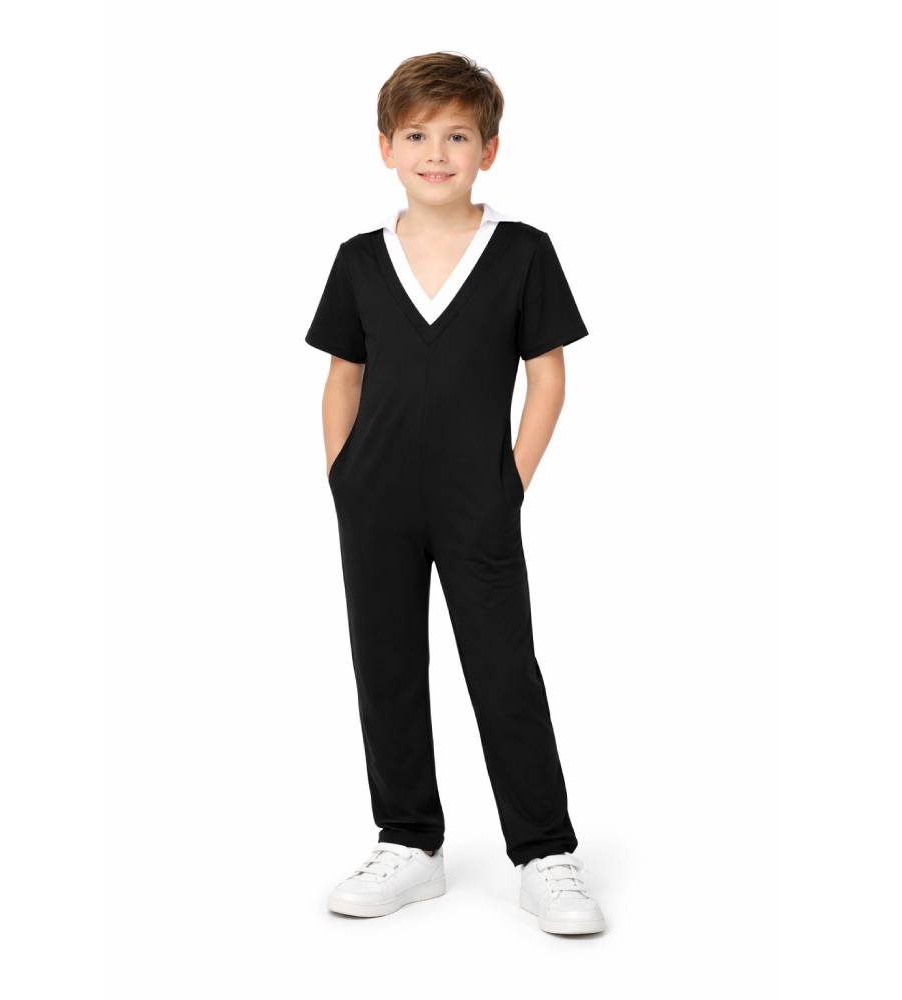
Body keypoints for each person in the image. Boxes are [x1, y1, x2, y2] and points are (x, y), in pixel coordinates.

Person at [305, 51, 605, 935]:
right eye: (416, 136)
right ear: (386, 149)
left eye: (457, 136)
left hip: (480, 496)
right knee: (386, 664)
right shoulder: (360, 260)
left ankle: (544, 852)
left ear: (490, 149)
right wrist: (343, 477)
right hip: (375, 499)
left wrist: (510, 481)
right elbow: (342, 378)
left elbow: (547, 378)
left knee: (504, 667)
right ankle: (409, 842)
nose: (436, 153)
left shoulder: (522, 253)